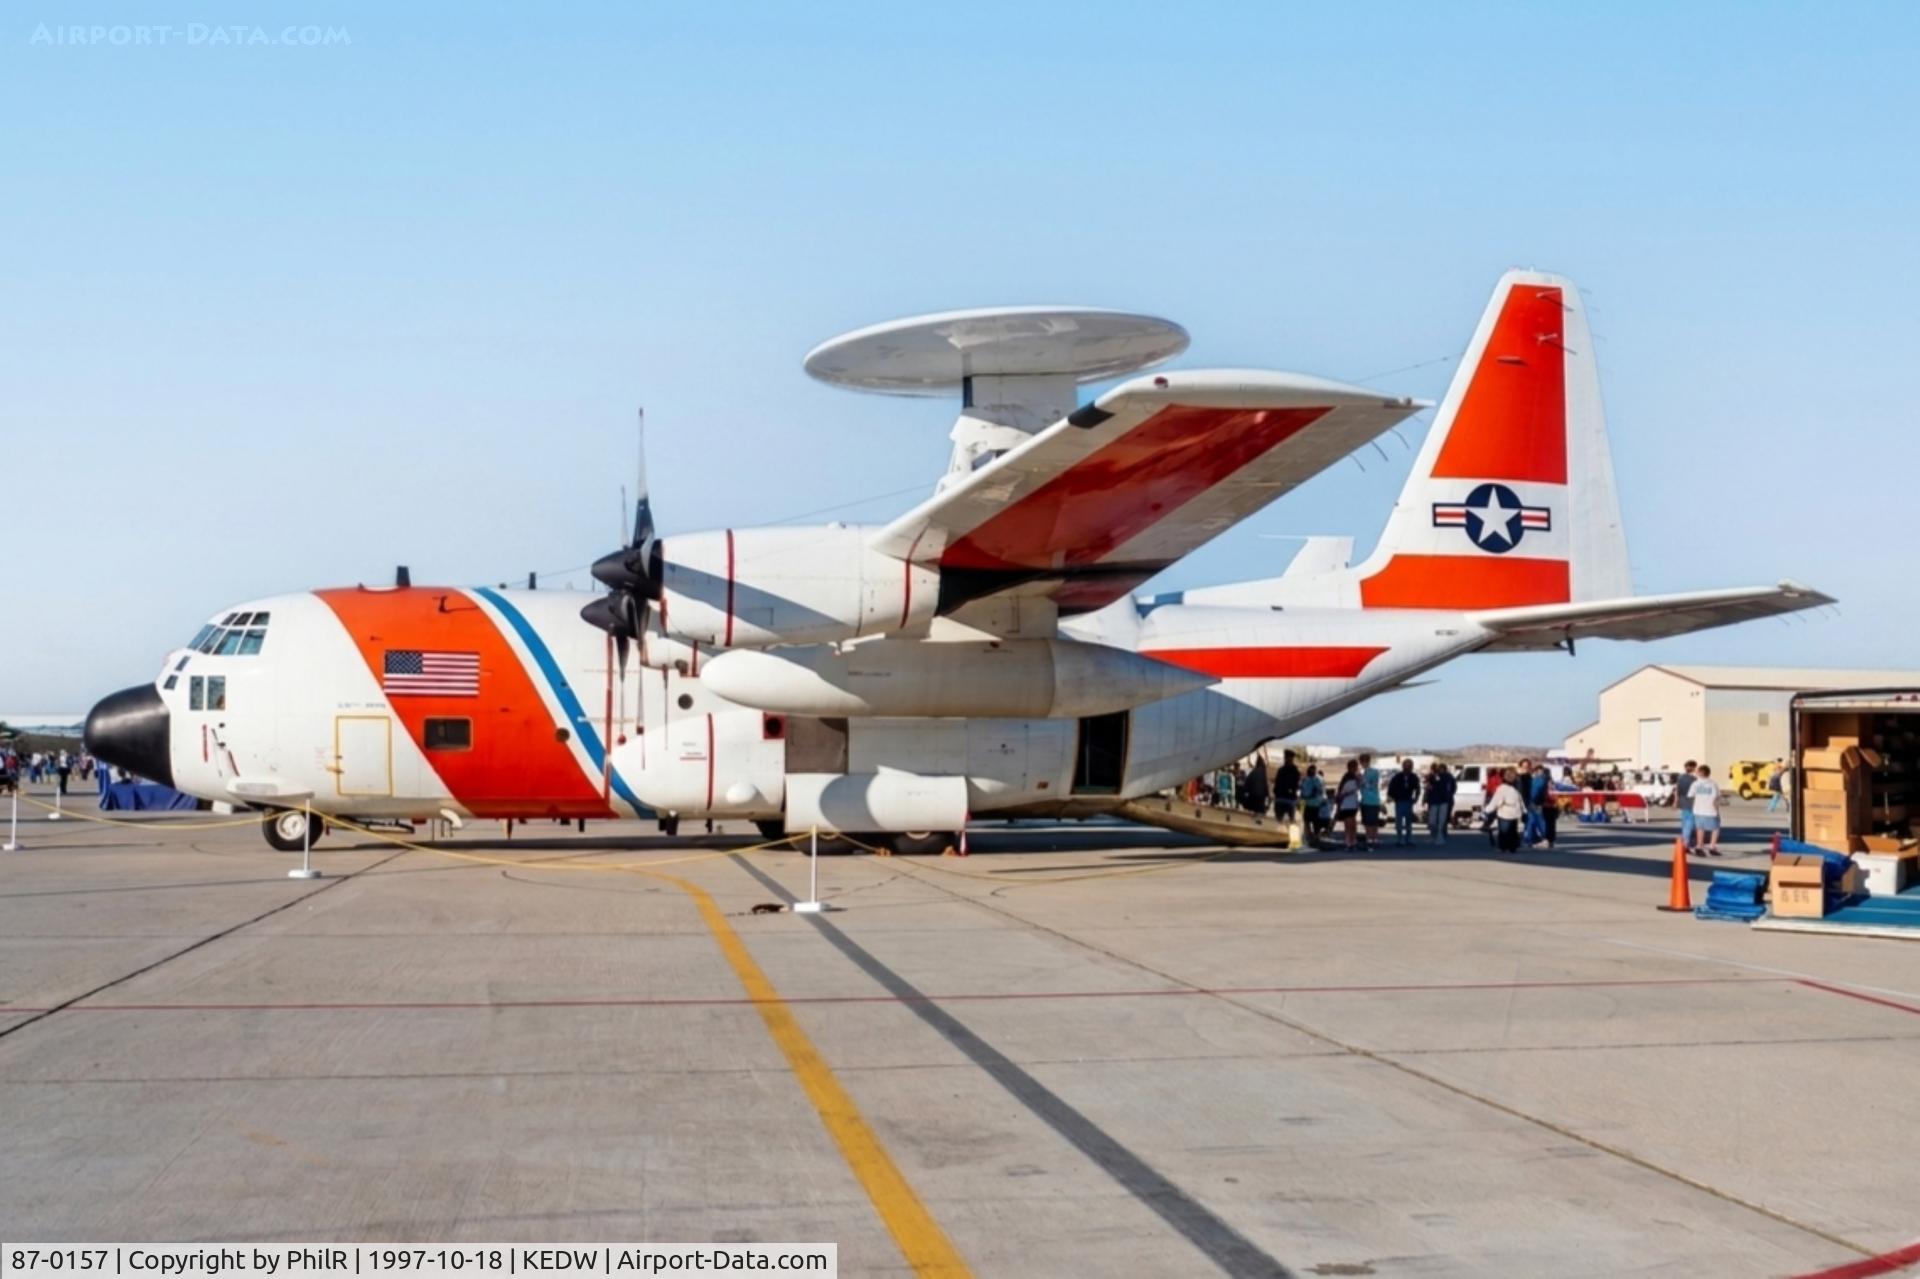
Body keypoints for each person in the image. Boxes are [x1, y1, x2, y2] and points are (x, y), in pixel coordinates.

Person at [1486, 771, 1526, 853]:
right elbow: (1496, 801)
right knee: (1508, 831)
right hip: (1508, 812)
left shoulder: (1511, 789)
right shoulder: (1505, 789)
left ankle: (1508, 847)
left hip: (1510, 813)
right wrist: (1488, 809)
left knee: (1508, 831)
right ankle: (1508, 847)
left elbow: (1519, 801)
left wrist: (1487, 810)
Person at [1691, 764, 1724, 856]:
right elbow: (1717, 798)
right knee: (1715, 828)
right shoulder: (1713, 784)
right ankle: (1712, 847)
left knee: (1700, 828)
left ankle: (1699, 846)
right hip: (1710, 810)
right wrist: (1717, 809)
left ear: (1700, 773)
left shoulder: (1695, 783)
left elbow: (1691, 795)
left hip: (1698, 810)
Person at [1387, 759, 1420, 846]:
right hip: (1399, 801)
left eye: (1409, 766)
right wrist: (1391, 797)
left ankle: (1408, 839)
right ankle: (1400, 839)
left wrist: (1416, 798)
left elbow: (1417, 788)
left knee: (1409, 821)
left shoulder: (1414, 777)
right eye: (1406, 765)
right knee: (1399, 821)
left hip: (1409, 801)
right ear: (1403, 766)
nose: (1408, 768)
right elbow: (1391, 787)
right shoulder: (1397, 777)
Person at [1424, 763, 1456, 845]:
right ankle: (1435, 836)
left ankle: (1440, 837)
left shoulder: (1447, 777)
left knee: (1441, 821)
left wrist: (1449, 795)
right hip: (1434, 801)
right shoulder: (1432, 777)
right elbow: (1428, 786)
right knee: (1432, 821)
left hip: (1444, 801)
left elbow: (1452, 787)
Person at [1336, 759, 1364, 850]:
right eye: (1355, 767)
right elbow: (1342, 792)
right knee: (1349, 823)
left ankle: (1351, 841)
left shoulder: (1354, 777)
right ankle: (1349, 842)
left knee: (1352, 823)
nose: (1356, 768)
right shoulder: (1347, 777)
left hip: (1351, 803)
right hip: (1347, 803)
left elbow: (1360, 785)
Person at [1357, 752, 1382, 850]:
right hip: (1375, 800)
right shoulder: (1375, 772)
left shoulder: (1365, 773)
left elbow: (1366, 784)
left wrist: (1360, 778)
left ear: (1363, 762)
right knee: (1374, 821)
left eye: (1361, 762)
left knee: (1368, 822)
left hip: (1368, 800)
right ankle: (1374, 839)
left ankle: (1369, 841)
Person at [1299, 764, 1328, 847]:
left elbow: (1320, 791)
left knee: (1315, 822)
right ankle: (1310, 836)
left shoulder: (1318, 779)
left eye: (1312, 770)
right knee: (1307, 821)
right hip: (1309, 804)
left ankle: (1315, 837)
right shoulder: (1306, 779)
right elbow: (1302, 789)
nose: (1311, 772)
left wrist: (1308, 796)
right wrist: (1303, 796)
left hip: (1315, 804)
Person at [1674, 760, 1699, 850]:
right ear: (1693, 768)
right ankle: (1686, 842)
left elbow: (1677, 790)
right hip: (1691, 801)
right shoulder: (1695, 779)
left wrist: (1676, 801)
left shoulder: (1680, 777)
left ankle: (1685, 839)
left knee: (1685, 821)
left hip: (1682, 800)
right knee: (1690, 822)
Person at [1272, 750, 1301, 823]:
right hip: (1287, 798)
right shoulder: (1294, 770)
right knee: (1290, 822)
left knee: (1279, 821)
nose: (1286, 759)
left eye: (1287, 757)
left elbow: (1277, 783)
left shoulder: (1283, 770)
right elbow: (1296, 785)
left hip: (1283, 798)